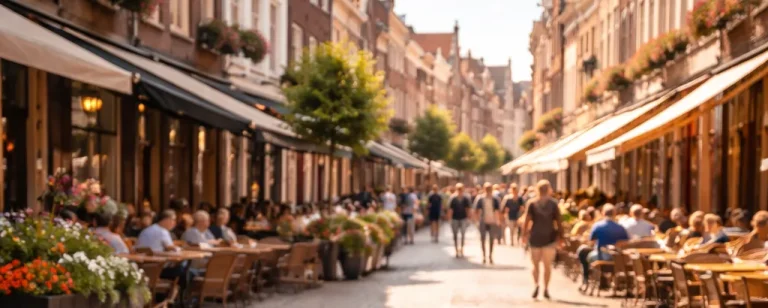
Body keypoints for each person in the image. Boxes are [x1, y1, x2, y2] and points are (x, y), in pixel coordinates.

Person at [522, 180, 563, 300]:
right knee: (547, 266)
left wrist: (524, 235)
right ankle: (545, 288)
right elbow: (559, 222)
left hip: (535, 237)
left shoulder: (532, 203)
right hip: (549, 238)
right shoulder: (553, 204)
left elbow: (526, 221)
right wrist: (561, 237)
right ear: (549, 189)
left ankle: (536, 285)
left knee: (535, 265)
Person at [578, 204, 629, 293]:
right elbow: (625, 243)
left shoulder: (598, 226)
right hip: (617, 259)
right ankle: (604, 282)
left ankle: (586, 279)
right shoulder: (620, 227)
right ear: (615, 214)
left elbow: (591, 240)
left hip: (601, 256)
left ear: (603, 213)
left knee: (583, 253)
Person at [473, 182, 501, 265]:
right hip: (483, 220)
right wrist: (477, 220)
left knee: (492, 239)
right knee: (483, 238)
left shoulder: (495, 199)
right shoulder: (480, 198)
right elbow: (476, 210)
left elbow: (497, 211)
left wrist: (498, 220)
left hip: (492, 220)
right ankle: (484, 255)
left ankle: (490, 255)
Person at [448, 183, 472, 257]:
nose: (460, 191)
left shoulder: (465, 198)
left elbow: (468, 209)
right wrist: (450, 219)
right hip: (455, 218)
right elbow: (450, 209)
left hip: (463, 218)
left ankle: (461, 248)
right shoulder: (453, 198)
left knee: (463, 234)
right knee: (455, 235)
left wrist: (469, 218)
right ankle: (456, 249)